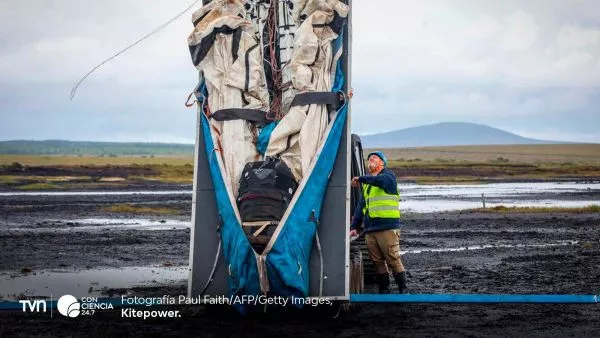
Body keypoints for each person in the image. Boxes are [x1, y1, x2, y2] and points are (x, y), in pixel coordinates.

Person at [349, 151, 408, 294]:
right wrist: (354, 227)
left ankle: (403, 290)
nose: (371, 159)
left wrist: (361, 179)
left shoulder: (388, 176)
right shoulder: (368, 185)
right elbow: (361, 207)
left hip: (387, 227)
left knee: (393, 258)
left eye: (375, 157)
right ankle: (384, 289)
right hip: (371, 230)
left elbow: (379, 181)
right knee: (377, 262)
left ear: (382, 163)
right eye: (369, 158)